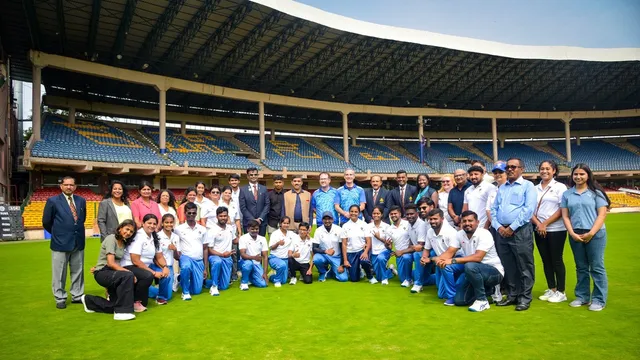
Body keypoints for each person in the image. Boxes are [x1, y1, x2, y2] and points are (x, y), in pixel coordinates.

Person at [561, 163, 610, 311]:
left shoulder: (596, 193)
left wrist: (591, 233)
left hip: (595, 233)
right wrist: (572, 233)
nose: (578, 177)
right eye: (576, 174)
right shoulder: (567, 194)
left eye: (582, 174)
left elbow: (602, 214)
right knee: (581, 267)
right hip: (575, 233)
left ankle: (599, 299)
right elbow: (565, 216)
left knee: (596, 266)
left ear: (588, 175)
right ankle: (582, 296)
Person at [491, 158, 537, 311]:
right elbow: (494, 210)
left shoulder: (528, 186)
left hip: (520, 231)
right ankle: (512, 295)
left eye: (513, 167)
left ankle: (524, 297)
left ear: (521, 169)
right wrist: (498, 227)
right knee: (508, 266)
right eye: (508, 167)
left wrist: (511, 227)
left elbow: (528, 210)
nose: (510, 169)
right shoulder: (502, 188)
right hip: (502, 232)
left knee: (524, 265)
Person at [436, 211, 504, 312]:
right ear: (461, 223)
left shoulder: (484, 234)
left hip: (494, 272)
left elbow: (478, 257)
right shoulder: (459, 234)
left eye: (470, 221)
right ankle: (490, 290)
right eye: (464, 221)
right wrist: (440, 260)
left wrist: (453, 260)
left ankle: (482, 300)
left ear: (477, 222)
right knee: (459, 300)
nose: (467, 223)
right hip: (473, 271)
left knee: (470, 266)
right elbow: (450, 251)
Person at [42, 176, 87, 309]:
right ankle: (60, 297)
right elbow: (46, 222)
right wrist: (58, 233)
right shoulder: (53, 201)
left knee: (78, 270)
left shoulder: (81, 201)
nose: (69, 187)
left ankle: (77, 295)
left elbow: (81, 219)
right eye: (66, 185)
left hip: (78, 241)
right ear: (61, 186)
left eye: (71, 185)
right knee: (59, 272)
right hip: (60, 243)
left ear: (75, 186)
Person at [81, 219, 137, 320]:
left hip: (113, 273)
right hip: (103, 271)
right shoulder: (111, 238)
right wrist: (129, 273)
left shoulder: (123, 243)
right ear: (120, 228)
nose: (128, 233)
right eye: (127, 229)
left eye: (131, 231)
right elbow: (110, 263)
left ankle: (89, 300)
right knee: (128, 275)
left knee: (114, 305)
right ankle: (122, 312)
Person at [532, 160, 569, 303]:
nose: (544, 171)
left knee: (556, 260)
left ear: (554, 171)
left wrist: (545, 223)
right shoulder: (535, 188)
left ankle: (561, 291)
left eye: (548, 168)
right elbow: (530, 209)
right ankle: (551, 288)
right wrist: (539, 224)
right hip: (539, 228)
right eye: (542, 168)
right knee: (545, 260)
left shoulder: (560, 187)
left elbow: (562, 209)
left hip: (556, 229)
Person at [120, 214, 169, 312]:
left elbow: (159, 256)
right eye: (149, 223)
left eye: (154, 224)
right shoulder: (138, 236)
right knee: (148, 276)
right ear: (143, 223)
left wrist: (165, 267)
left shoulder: (154, 236)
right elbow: (135, 260)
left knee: (167, 275)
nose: (152, 225)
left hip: (143, 267)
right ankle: (135, 301)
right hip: (130, 265)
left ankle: (156, 295)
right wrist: (154, 273)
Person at [420, 209, 463, 306]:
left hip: (457, 260)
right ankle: (454, 280)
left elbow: (450, 253)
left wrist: (430, 259)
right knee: (441, 294)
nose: (432, 221)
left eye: (435, 219)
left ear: (442, 219)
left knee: (445, 265)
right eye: (430, 219)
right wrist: (423, 258)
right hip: (440, 261)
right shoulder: (430, 231)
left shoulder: (451, 232)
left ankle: (452, 296)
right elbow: (426, 249)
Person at [175, 202, 208, 300]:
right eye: (189, 213)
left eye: (193, 213)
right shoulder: (178, 229)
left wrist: (205, 268)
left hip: (198, 260)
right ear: (185, 213)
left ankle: (180, 279)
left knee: (196, 291)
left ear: (196, 214)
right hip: (186, 258)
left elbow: (205, 248)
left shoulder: (202, 229)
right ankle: (185, 292)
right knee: (185, 267)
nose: (191, 215)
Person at [148, 214, 179, 305]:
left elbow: (177, 257)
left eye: (171, 222)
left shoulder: (176, 237)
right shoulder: (157, 236)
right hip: (157, 265)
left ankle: (158, 289)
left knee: (168, 296)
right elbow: (154, 256)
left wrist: (175, 249)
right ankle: (146, 288)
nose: (169, 224)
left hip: (170, 266)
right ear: (162, 223)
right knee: (166, 278)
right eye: (166, 222)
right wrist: (162, 267)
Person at [206, 207, 236, 296]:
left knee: (224, 286)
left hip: (227, 257)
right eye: (221, 216)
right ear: (217, 217)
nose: (223, 218)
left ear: (228, 216)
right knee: (217, 262)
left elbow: (235, 240)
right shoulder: (212, 230)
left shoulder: (230, 228)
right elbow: (209, 250)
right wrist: (222, 254)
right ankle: (214, 286)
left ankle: (205, 282)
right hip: (215, 256)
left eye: (225, 216)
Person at [341, 205, 374, 282]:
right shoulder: (345, 226)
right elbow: (344, 244)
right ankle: (359, 270)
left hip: (361, 251)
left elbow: (368, 241)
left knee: (365, 261)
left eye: (356, 212)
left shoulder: (364, 224)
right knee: (354, 279)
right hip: (351, 252)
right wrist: (345, 260)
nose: (353, 213)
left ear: (359, 213)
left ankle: (370, 276)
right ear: (349, 212)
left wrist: (365, 252)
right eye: (352, 211)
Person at [312, 211, 348, 282]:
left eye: (329, 219)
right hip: (324, 255)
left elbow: (342, 248)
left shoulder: (339, 229)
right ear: (322, 220)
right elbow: (314, 248)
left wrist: (342, 265)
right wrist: (326, 251)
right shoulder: (318, 231)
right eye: (325, 219)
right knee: (316, 259)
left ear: (333, 220)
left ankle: (332, 270)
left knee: (343, 279)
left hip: (337, 257)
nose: (327, 221)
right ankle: (323, 272)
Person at [405, 204, 433, 293]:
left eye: (412, 214)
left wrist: (402, 251)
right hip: (421, 250)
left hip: (430, 251)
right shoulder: (409, 224)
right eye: (407, 214)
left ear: (417, 214)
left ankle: (418, 283)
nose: (409, 216)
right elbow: (411, 243)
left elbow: (420, 247)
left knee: (417, 255)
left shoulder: (421, 225)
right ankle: (408, 278)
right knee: (406, 257)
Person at [387, 205, 414, 287]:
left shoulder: (408, 224)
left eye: (395, 213)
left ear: (400, 214)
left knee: (406, 257)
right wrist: (387, 245)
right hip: (399, 255)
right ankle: (410, 275)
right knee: (402, 279)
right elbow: (390, 246)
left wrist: (408, 249)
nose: (393, 215)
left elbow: (412, 238)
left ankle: (416, 277)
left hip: (410, 252)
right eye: (391, 214)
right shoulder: (389, 229)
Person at [238, 220, 269, 290]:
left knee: (263, 284)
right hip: (245, 262)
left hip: (257, 264)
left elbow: (265, 256)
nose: (255, 231)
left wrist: (265, 273)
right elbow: (242, 254)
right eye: (252, 229)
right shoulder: (243, 238)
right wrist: (254, 258)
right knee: (248, 264)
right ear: (248, 229)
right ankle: (244, 283)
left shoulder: (262, 239)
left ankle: (249, 277)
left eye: (257, 229)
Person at [239, 167, 270, 236]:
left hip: (261, 223)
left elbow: (267, 205)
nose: (253, 176)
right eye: (251, 175)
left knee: (260, 243)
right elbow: (243, 207)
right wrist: (253, 220)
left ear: (258, 175)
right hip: (248, 223)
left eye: (255, 174)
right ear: (247, 176)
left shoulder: (264, 188)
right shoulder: (243, 190)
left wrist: (260, 218)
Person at [368, 206, 393, 285]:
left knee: (380, 258)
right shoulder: (368, 226)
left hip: (384, 251)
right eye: (374, 213)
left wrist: (379, 238)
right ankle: (390, 270)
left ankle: (385, 279)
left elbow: (389, 245)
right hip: (373, 252)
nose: (376, 215)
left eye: (378, 213)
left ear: (381, 214)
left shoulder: (387, 226)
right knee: (378, 277)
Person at [268, 216, 296, 287]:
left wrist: (308, 235)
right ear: (280, 223)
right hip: (274, 257)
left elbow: (300, 237)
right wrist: (278, 243)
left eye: (287, 223)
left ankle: (271, 276)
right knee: (282, 265)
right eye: (284, 223)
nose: (286, 225)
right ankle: (277, 281)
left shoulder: (291, 234)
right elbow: (271, 248)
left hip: (285, 258)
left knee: (284, 280)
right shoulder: (275, 234)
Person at [228, 173, 243, 282]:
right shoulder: (226, 193)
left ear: (239, 181)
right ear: (229, 182)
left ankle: (238, 270)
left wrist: (239, 231)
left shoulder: (242, 192)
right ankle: (230, 271)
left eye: (236, 180)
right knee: (231, 249)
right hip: (230, 224)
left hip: (242, 221)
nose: (234, 182)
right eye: (232, 180)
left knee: (239, 248)